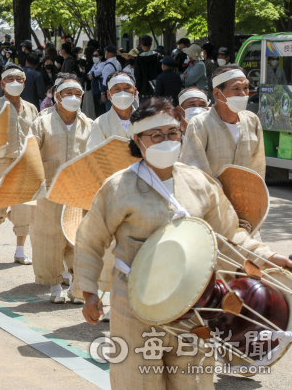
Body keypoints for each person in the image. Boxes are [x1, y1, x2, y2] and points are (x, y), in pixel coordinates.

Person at [78, 97, 291, 390]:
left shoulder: (199, 182)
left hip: (196, 303)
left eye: (172, 133)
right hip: (134, 302)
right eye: (156, 135)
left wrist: (268, 256)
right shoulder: (118, 187)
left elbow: (230, 236)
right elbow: (91, 240)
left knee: (195, 380)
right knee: (136, 380)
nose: (166, 141)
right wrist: (89, 293)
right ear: (138, 140)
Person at [29, 76, 92, 303]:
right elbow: (30, 155)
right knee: (49, 238)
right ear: (57, 96)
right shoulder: (41, 123)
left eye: (77, 94)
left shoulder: (90, 125)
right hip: (49, 191)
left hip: (78, 193)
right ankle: (55, 286)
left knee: (79, 239)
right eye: (68, 93)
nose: (73, 98)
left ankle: (77, 286)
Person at [0, 63, 39, 264]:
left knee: (24, 209)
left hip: (23, 166)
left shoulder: (31, 108)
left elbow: (37, 135)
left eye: (19, 79)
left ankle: (20, 250)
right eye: (10, 79)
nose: (15, 82)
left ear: (24, 83)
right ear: (3, 84)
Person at [180, 65, 265, 179]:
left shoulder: (252, 121)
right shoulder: (200, 124)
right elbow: (195, 170)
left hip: (245, 196)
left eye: (245, 88)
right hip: (212, 196)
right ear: (217, 94)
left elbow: (257, 166)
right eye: (236, 88)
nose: (243, 94)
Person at [87, 72, 137, 149]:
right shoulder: (100, 124)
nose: (122, 93)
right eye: (117, 89)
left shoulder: (146, 121)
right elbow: (95, 157)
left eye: (127, 88)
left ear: (135, 92)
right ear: (108, 94)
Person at [99, 46, 123, 111]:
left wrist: (103, 93)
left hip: (110, 91)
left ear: (107, 53)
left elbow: (105, 81)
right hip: (118, 89)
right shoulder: (117, 63)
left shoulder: (108, 66)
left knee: (109, 111)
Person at [88, 49, 106, 117]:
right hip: (94, 90)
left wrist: (92, 74)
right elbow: (89, 74)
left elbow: (97, 73)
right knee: (96, 109)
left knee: (101, 109)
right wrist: (92, 74)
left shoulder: (103, 64)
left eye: (96, 55)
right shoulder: (94, 65)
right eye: (93, 55)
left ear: (101, 56)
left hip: (100, 90)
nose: (94, 57)